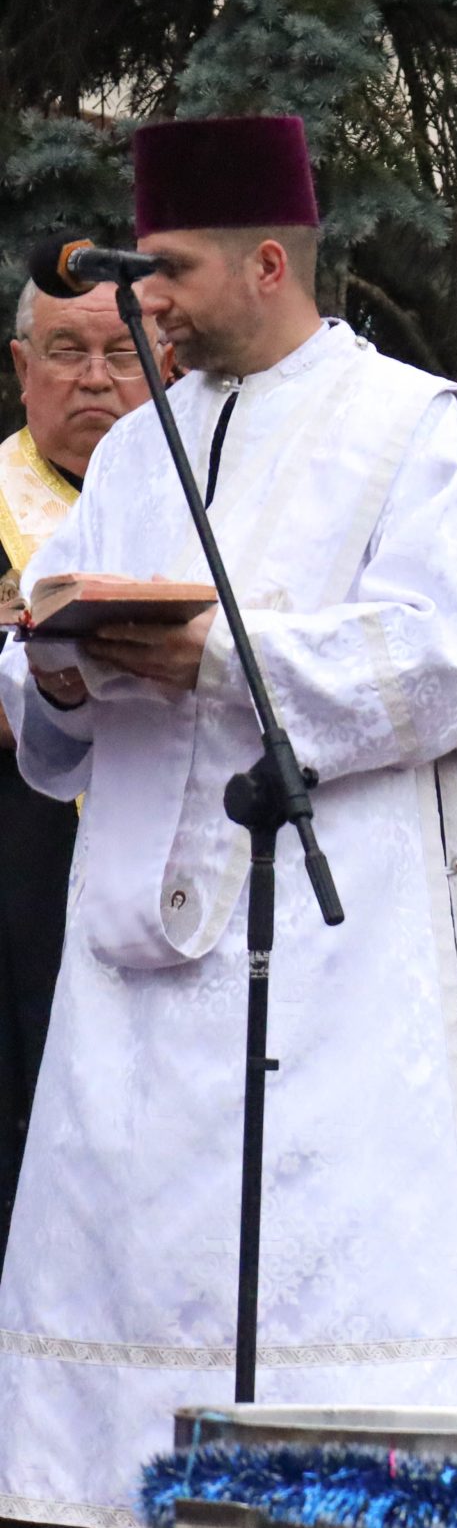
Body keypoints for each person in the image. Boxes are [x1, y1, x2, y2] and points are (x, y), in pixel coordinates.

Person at [0, 115, 457, 1528]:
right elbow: (53, 699)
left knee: (321, 1363)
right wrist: (58, 669)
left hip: (333, 977)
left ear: (267, 260)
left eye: (170, 271)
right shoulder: (141, 449)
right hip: (135, 991)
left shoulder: (414, 428)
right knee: (114, 1376)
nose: (148, 303)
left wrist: (224, 658)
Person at [0, 274, 153, 1273]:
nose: (95, 378)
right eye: (67, 351)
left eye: (122, 353)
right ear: (23, 368)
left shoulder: (199, 514)